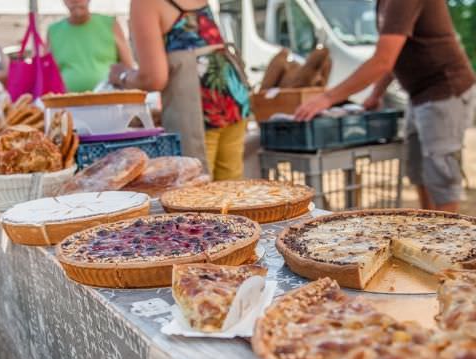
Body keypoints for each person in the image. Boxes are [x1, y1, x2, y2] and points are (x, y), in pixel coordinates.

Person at [295, 0, 475, 213]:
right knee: (417, 169)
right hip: (418, 96)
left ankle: (445, 239)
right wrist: (376, 93)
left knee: (441, 173)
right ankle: (429, 223)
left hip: (445, 89)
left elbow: (383, 60)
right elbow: (396, 53)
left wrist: (327, 98)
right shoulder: (384, 3)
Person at [109, 0, 251, 180]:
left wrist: (121, 76)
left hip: (198, 107)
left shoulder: (144, 3)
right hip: (232, 96)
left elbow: (154, 78)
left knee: (197, 193)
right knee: (232, 190)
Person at [48, 0, 134, 92]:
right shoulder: (53, 31)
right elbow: (46, 72)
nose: (76, 1)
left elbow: (128, 65)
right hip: (66, 101)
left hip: (108, 100)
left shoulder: (110, 24)